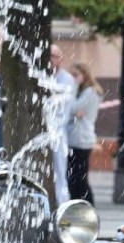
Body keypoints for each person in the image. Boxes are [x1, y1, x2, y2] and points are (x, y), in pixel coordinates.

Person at [66, 62, 101, 204]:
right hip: (74, 140)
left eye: (76, 75)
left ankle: (88, 206)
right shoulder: (82, 92)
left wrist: (73, 89)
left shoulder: (90, 92)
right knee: (73, 178)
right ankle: (77, 206)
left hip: (82, 140)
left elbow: (72, 108)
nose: (73, 79)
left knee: (79, 178)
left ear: (84, 75)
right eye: (71, 75)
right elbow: (71, 112)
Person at [51, 44, 76, 206]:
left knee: (60, 172)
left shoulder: (66, 79)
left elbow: (64, 108)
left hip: (58, 131)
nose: (51, 60)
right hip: (48, 130)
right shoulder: (45, 76)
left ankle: (62, 204)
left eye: (54, 56)